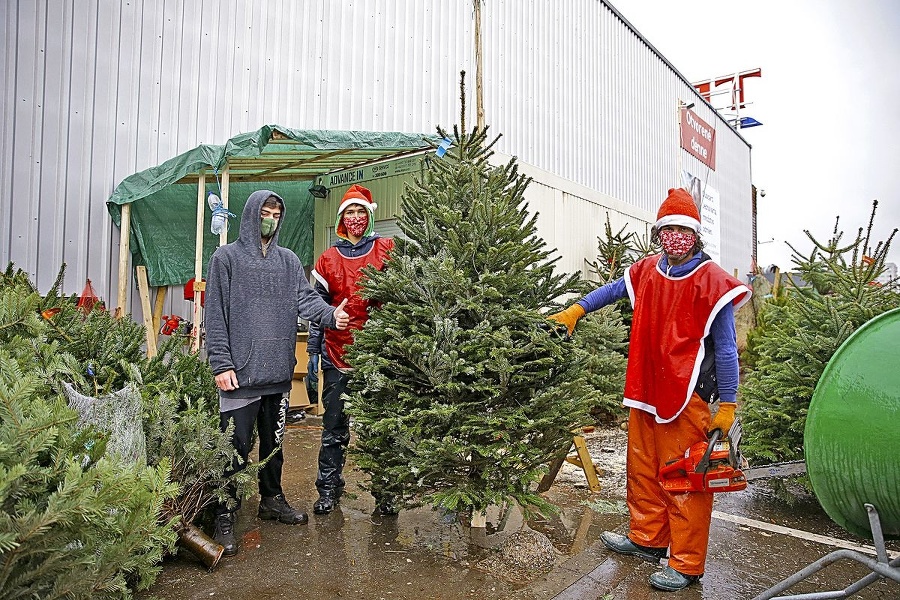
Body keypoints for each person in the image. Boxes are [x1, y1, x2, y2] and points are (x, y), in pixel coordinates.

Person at [550, 188, 751, 591]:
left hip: (687, 397)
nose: (675, 236)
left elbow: (727, 350)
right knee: (642, 471)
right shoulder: (646, 270)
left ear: (694, 235)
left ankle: (687, 563)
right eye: (668, 229)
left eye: (682, 229)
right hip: (645, 390)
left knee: (684, 481)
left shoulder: (711, 282)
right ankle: (648, 539)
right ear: (659, 233)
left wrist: (727, 405)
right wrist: (576, 310)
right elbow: (610, 290)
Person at [205, 190, 350, 557]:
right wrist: (221, 364)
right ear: (252, 215)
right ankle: (225, 511)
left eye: (275, 214)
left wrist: (331, 316)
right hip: (239, 376)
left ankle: (271, 499)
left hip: (277, 373)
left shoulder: (288, 261)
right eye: (264, 213)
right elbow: (215, 315)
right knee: (234, 448)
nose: (270, 219)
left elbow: (306, 300)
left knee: (274, 446)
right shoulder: (226, 258)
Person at [307, 184, 395, 516]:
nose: (355, 217)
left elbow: (403, 295)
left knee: (379, 428)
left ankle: (385, 492)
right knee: (333, 427)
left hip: (377, 355)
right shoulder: (328, 259)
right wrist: (314, 351)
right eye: (350, 212)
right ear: (341, 218)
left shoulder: (387, 249)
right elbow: (317, 308)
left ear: (369, 215)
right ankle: (329, 489)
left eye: (361, 211)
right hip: (336, 353)